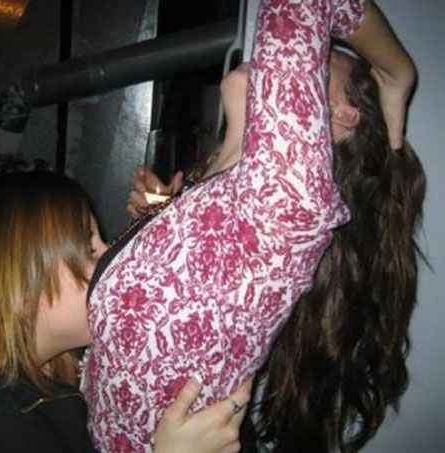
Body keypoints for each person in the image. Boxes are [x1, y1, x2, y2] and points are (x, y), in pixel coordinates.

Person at [81, 0, 424, 452]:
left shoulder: (285, 200)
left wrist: (396, 71)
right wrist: (158, 219)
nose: (280, 57)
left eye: (315, 59)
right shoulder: (242, 196)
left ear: (343, 115)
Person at [0, 171, 253, 453]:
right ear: (19, 287)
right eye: (89, 250)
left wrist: (162, 213)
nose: (113, 258)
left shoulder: (40, 352)